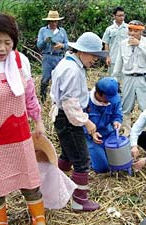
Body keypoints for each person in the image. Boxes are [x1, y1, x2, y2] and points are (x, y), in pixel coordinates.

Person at [0, 13, 46, 225]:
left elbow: (30, 95)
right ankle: (0, 221)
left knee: (30, 181)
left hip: (20, 136)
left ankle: (38, 219)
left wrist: (38, 120)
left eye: (8, 42)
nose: (3, 49)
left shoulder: (20, 61)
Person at [50, 32, 108, 211]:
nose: (95, 60)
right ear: (81, 51)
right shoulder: (72, 70)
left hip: (64, 116)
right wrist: (88, 123)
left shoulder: (71, 63)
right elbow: (70, 104)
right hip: (68, 119)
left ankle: (53, 187)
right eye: (93, 56)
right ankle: (79, 201)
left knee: (68, 155)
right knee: (82, 160)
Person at [112, 20, 146, 136]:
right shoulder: (123, 43)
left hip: (144, 78)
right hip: (128, 78)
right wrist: (115, 80)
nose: (132, 33)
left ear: (141, 31)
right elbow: (119, 62)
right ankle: (127, 130)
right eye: (130, 30)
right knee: (126, 106)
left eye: (135, 31)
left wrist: (139, 45)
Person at [84, 77, 122, 173]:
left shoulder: (114, 99)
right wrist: (92, 133)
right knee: (102, 168)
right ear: (99, 94)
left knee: (119, 161)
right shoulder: (84, 101)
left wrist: (117, 121)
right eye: (108, 98)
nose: (110, 102)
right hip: (90, 137)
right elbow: (78, 121)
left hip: (108, 133)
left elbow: (117, 114)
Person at [37, 10, 69, 103]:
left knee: (60, 80)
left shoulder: (62, 31)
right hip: (47, 57)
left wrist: (62, 46)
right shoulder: (43, 31)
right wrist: (45, 41)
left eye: (55, 21)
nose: (53, 23)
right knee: (45, 79)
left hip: (59, 58)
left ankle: (57, 100)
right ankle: (43, 100)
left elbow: (67, 44)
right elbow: (39, 46)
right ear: (48, 21)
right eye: (51, 21)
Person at [102, 6, 128, 81]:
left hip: (125, 58)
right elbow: (106, 43)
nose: (121, 17)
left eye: (123, 15)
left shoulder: (128, 28)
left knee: (125, 80)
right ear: (114, 16)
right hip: (113, 58)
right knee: (113, 79)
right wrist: (107, 57)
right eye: (119, 15)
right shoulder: (109, 29)